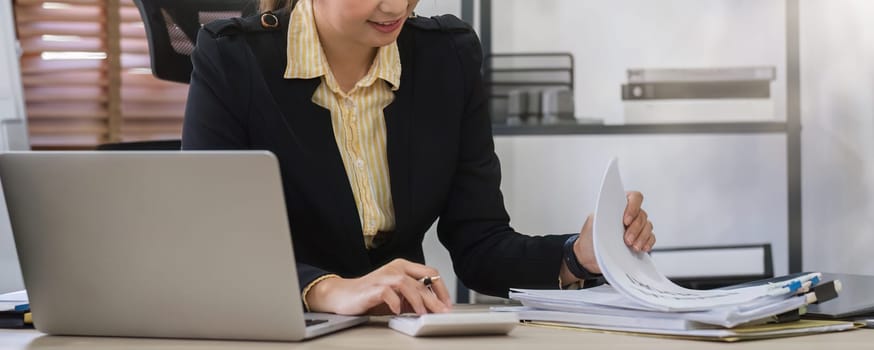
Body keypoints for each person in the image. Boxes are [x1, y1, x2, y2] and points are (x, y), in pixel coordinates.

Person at [182, 0, 655, 316]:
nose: (397, 6)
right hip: (278, 333)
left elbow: (480, 245)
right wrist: (327, 289)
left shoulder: (445, 56)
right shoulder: (233, 59)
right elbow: (212, 245)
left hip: (401, 334)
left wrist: (578, 256)